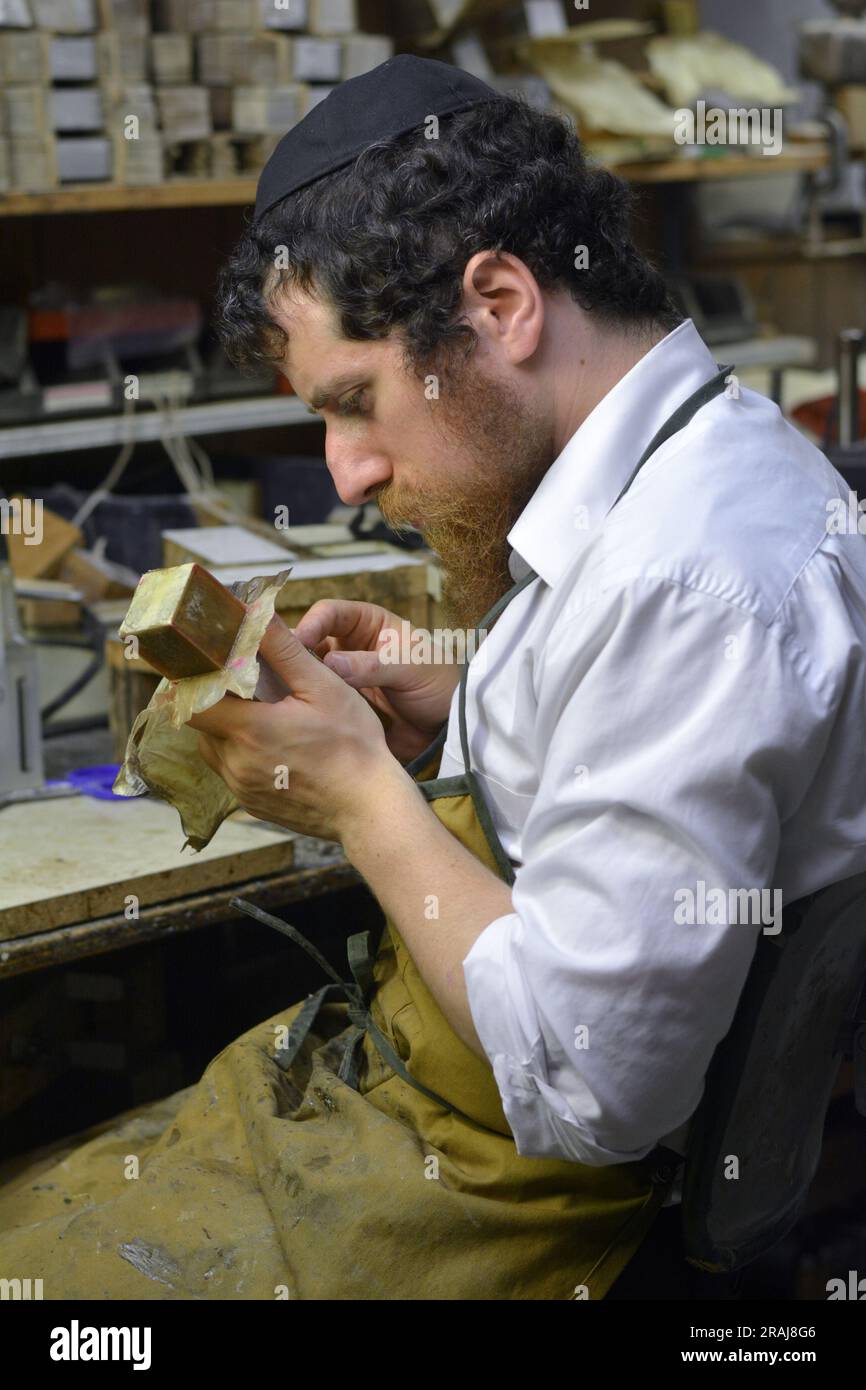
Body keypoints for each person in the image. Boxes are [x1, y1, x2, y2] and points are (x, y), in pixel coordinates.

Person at [2, 56, 865, 1301]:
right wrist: (453, 713)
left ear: (502, 304)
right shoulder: (696, 470)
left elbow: (591, 1083)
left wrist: (360, 797)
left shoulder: (688, 578)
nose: (344, 472)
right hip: (432, 1125)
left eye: (355, 402)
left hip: (541, 1210)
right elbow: (649, 772)